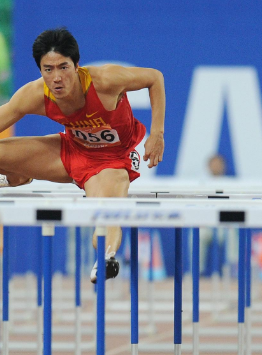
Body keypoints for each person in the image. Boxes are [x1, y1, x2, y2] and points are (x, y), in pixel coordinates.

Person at [0, 28, 165, 283]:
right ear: (40, 70)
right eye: (48, 70)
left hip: (110, 161)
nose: (56, 78)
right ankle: (17, 175)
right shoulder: (34, 94)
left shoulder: (106, 80)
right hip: (70, 152)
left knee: (107, 214)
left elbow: (155, 78)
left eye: (63, 67)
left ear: (77, 65)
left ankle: (107, 259)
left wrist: (157, 133)